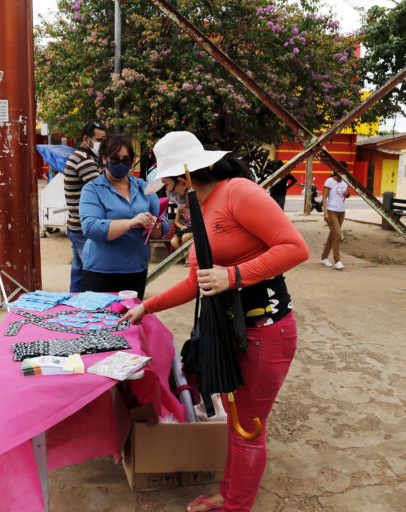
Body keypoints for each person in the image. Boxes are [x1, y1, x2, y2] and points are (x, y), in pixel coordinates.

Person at [122, 131, 308, 512]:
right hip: (229, 334)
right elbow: (197, 282)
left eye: (170, 182)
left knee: (248, 429)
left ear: (185, 176)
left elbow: (295, 248)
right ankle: (229, 492)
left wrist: (234, 275)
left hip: (264, 331)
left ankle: (236, 505)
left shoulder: (238, 192)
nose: (169, 191)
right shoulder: (203, 209)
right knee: (238, 423)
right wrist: (147, 306)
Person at [79, 134, 167, 299]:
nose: (121, 163)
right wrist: (131, 223)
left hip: (136, 270)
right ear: (104, 159)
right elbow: (91, 228)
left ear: (132, 161)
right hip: (101, 271)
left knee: (130, 320)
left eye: (126, 159)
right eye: (115, 159)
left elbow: (164, 225)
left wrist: (155, 225)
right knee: (99, 322)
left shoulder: (144, 187)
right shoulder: (93, 189)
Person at [64, 121, 106, 292]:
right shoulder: (85, 161)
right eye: (99, 140)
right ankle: (86, 312)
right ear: (86, 139)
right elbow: (101, 191)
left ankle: (74, 306)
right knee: (91, 273)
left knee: (79, 272)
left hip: (75, 224)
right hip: (84, 227)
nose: (102, 144)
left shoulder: (80, 157)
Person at [320, 162, 350, 270]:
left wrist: (347, 194)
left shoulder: (345, 181)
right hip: (331, 210)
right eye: (342, 169)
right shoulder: (330, 181)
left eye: (345, 170)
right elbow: (324, 197)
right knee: (337, 235)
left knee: (333, 234)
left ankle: (323, 257)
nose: (344, 172)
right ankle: (337, 261)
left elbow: (347, 195)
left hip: (341, 211)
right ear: (336, 170)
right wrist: (325, 212)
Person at [163, 175, 193, 263]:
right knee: (173, 242)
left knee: (185, 237)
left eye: (167, 185)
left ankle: (188, 259)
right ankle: (186, 256)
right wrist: (181, 226)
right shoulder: (180, 206)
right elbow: (176, 221)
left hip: (193, 229)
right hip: (183, 229)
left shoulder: (195, 205)